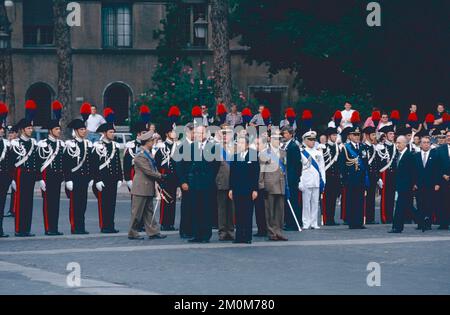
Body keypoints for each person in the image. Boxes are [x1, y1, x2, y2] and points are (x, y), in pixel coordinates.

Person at [183, 125, 219, 243]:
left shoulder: (213, 147)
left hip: (207, 183)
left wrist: (209, 178)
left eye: (202, 133)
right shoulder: (191, 147)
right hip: (194, 183)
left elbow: (216, 165)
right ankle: (196, 234)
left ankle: (205, 234)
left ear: (206, 133)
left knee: (206, 209)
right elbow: (187, 164)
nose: (199, 135)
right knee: (195, 209)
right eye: (197, 133)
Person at [128, 131, 167, 240]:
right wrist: (161, 176)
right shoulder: (140, 155)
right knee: (137, 212)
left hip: (147, 186)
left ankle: (153, 232)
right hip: (141, 187)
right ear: (147, 142)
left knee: (149, 211)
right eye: (152, 141)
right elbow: (148, 171)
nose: (153, 143)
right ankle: (132, 232)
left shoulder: (147, 153)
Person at [10, 119, 41, 237]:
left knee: (28, 202)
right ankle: (19, 229)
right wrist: (12, 179)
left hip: (30, 176)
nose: (30, 130)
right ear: (23, 130)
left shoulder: (33, 143)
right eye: (28, 128)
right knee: (20, 203)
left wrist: (39, 177)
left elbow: (37, 161)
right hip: (20, 175)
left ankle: (26, 229)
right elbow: (11, 163)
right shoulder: (15, 143)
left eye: (31, 128)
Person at [63, 119, 94, 234]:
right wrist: (68, 180)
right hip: (74, 179)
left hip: (84, 179)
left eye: (84, 129)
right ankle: (75, 227)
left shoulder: (87, 144)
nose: (84, 131)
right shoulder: (70, 144)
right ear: (76, 131)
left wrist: (91, 177)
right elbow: (66, 164)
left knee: (83, 204)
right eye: (81, 129)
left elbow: (90, 163)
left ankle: (81, 226)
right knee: (75, 204)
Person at [91, 123, 123, 234]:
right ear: (104, 133)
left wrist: (120, 178)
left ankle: (111, 225)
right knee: (103, 204)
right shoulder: (98, 146)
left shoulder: (115, 146)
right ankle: (104, 226)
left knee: (112, 204)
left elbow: (118, 163)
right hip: (102, 180)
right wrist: (97, 180)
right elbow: (94, 165)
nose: (113, 134)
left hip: (113, 179)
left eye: (113, 132)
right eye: (110, 132)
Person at [229, 135, 260, 244]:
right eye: (238, 143)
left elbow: (256, 174)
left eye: (242, 143)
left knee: (247, 213)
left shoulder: (253, 156)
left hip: (249, 190)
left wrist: (255, 190)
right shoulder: (235, 156)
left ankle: (247, 237)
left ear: (247, 144)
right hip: (237, 190)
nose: (240, 145)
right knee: (238, 213)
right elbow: (231, 174)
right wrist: (231, 189)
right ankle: (238, 237)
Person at [37, 120, 65, 236]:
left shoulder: (60, 144)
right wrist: (40, 179)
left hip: (57, 177)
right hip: (47, 177)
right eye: (56, 129)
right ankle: (48, 228)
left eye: (59, 129)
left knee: (56, 203)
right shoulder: (43, 144)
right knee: (48, 203)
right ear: (50, 131)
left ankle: (54, 228)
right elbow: (39, 163)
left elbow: (62, 162)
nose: (59, 131)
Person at [259, 131, 288, 241]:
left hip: (281, 184)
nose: (277, 141)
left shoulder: (283, 152)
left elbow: (285, 169)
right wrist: (261, 186)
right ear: (270, 139)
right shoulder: (265, 153)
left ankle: (279, 231)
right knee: (270, 211)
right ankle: (271, 232)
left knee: (280, 211)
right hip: (269, 185)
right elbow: (261, 171)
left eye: (279, 139)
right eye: (275, 139)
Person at [339, 126, 368, 229]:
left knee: (360, 200)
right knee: (351, 200)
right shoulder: (346, 148)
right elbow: (342, 165)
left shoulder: (363, 147)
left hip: (360, 178)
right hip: (351, 178)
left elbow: (365, 163)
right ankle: (352, 222)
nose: (357, 137)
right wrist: (344, 179)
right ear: (350, 136)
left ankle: (359, 222)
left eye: (358, 134)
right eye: (354, 135)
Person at [299, 130, 326, 230]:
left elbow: (322, 168)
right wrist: (300, 181)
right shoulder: (302, 152)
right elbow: (300, 168)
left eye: (314, 140)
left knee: (315, 203)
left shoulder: (318, 152)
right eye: (310, 140)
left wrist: (323, 180)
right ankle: (306, 222)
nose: (312, 142)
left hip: (316, 181)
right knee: (306, 204)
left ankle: (314, 222)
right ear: (305, 140)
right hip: (306, 181)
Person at [389, 136, 416, 233]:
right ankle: (423, 221)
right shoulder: (397, 155)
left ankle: (397, 227)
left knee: (400, 207)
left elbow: (413, 172)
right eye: (396, 143)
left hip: (407, 186)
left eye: (399, 143)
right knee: (408, 207)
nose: (397, 145)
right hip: (400, 185)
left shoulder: (409, 155)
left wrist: (413, 184)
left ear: (405, 144)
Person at [154, 121, 179, 231]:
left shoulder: (176, 146)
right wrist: (159, 178)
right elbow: (157, 164)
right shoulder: (161, 147)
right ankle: (164, 222)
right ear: (167, 134)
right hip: (165, 177)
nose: (174, 133)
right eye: (172, 131)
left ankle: (171, 223)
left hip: (174, 177)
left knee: (172, 201)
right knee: (165, 201)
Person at [414, 136, 441, 231]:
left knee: (429, 204)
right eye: (424, 142)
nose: (426, 144)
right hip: (419, 185)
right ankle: (420, 223)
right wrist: (414, 183)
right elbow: (413, 172)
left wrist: (437, 183)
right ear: (420, 144)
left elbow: (438, 170)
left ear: (430, 144)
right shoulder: (416, 155)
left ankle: (428, 223)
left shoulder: (435, 155)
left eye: (427, 142)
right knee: (420, 204)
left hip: (431, 184)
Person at [175, 123, 195, 239]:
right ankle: (184, 230)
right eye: (193, 132)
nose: (195, 135)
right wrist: (182, 182)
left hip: (195, 181)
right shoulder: (182, 146)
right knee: (186, 207)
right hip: (186, 181)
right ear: (188, 132)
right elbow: (179, 166)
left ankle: (192, 228)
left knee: (194, 206)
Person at [215, 125, 235, 241]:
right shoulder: (216, 148)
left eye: (227, 133)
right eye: (223, 133)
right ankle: (222, 231)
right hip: (221, 181)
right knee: (221, 209)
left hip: (234, 182)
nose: (225, 135)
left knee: (232, 209)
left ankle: (231, 231)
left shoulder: (236, 148)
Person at [281, 126, 302, 230]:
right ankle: (288, 221)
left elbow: (297, 165)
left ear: (291, 134)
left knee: (293, 200)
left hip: (291, 179)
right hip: (287, 178)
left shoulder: (293, 146)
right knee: (288, 201)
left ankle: (293, 223)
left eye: (285, 133)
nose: (283, 135)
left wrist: (294, 178)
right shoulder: (286, 145)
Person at [361, 126, 382, 224]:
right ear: (367, 135)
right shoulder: (363, 147)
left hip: (373, 177)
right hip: (366, 176)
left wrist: (378, 177)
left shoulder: (374, 147)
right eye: (373, 135)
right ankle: (365, 217)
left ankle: (371, 217)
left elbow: (376, 164)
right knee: (366, 198)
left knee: (371, 197)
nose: (374, 137)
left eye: (374, 134)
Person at [378, 125, 397, 224]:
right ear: (385, 135)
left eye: (393, 133)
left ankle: (390, 216)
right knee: (385, 197)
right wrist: (378, 178)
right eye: (390, 133)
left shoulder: (395, 146)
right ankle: (384, 217)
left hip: (393, 174)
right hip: (385, 174)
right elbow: (378, 163)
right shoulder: (381, 147)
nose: (392, 135)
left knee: (392, 196)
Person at [322, 127, 340, 226]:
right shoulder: (324, 147)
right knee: (327, 198)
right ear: (329, 136)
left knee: (333, 198)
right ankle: (327, 219)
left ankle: (332, 218)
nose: (335, 137)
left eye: (336, 135)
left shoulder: (337, 147)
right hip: (327, 176)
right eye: (333, 135)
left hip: (335, 177)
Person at [436, 130, 450, 230]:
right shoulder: (440, 149)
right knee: (443, 202)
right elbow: (436, 166)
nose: (449, 137)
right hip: (444, 180)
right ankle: (444, 223)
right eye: (447, 136)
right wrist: (442, 175)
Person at [4, 125, 18, 218]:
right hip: (5, 171)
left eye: (12, 132)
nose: (10, 134)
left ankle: (13, 209)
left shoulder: (17, 144)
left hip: (14, 171)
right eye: (9, 132)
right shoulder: (5, 143)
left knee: (15, 192)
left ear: (16, 133)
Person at [0, 121, 11, 237]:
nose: (2, 130)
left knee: (1, 204)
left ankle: (0, 229)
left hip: (3, 178)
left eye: (3, 129)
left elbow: (9, 162)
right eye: (0, 129)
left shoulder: (6, 144)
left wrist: (9, 179)